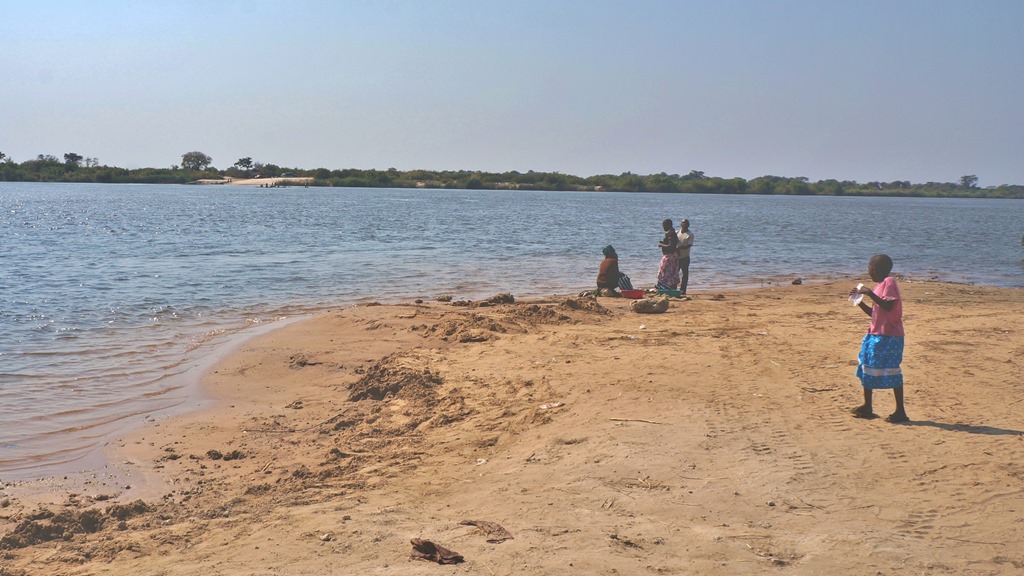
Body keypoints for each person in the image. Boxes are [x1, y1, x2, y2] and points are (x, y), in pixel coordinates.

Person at [850, 254, 909, 423]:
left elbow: (888, 306)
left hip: (890, 335)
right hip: (875, 334)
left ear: (876, 270)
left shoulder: (889, 282)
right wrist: (859, 301)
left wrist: (869, 293)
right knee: (867, 366)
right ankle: (867, 406)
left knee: (891, 369)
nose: (869, 273)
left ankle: (900, 411)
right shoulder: (878, 287)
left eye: (870, 269)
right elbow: (875, 313)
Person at [656, 219, 679, 291]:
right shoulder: (671, 233)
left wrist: (661, 245)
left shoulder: (671, 234)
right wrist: (663, 242)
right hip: (672, 256)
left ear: (668, 225)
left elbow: (671, 246)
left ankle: (667, 288)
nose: (663, 228)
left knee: (666, 273)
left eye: (664, 226)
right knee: (671, 273)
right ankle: (670, 288)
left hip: (669, 256)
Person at [676, 219, 694, 294]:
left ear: (688, 225)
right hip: (676, 257)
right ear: (681, 224)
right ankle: (673, 288)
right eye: (683, 223)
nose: (684, 225)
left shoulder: (690, 234)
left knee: (685, 274)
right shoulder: (677, 232)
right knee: (674, 274)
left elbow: (688, 245)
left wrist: (678, 248)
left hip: (685, 257)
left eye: (686, 223)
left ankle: (683, 290)